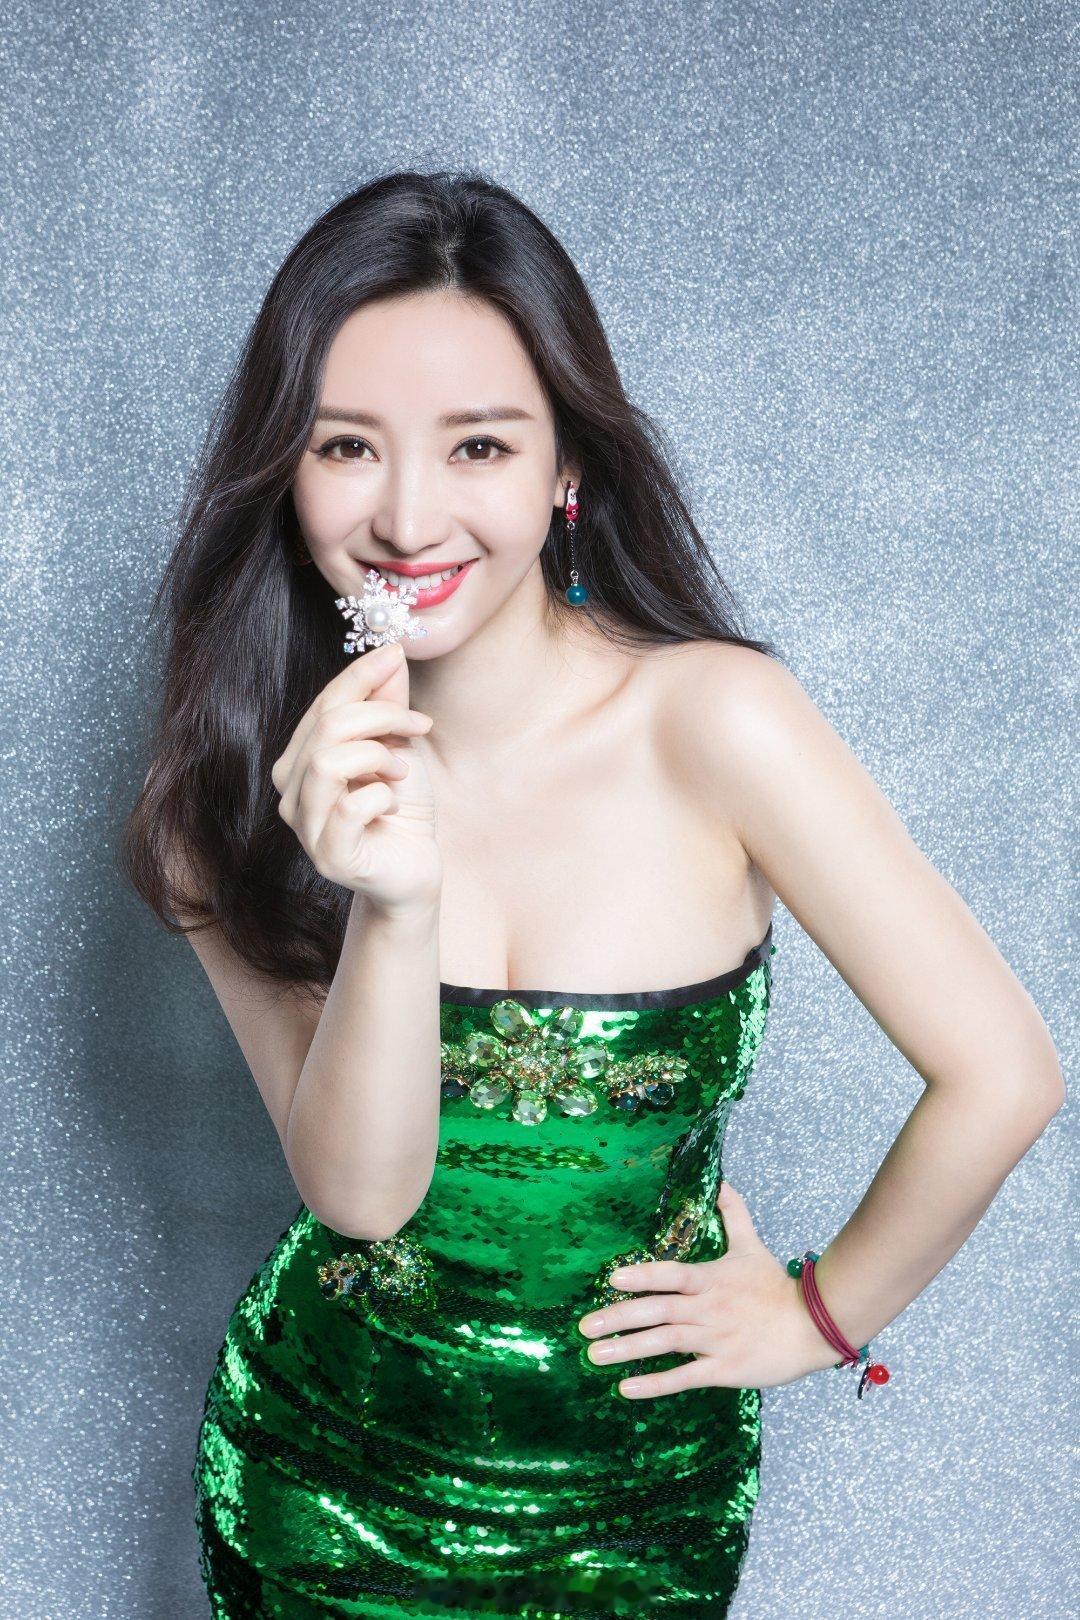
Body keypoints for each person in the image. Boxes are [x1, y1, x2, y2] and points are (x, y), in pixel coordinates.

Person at [119, 168, 1065, 1618]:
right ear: (283, 475)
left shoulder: (717, 722)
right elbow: (362, 1199)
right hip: (320, 1484)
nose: (409, 516)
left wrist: (820, 1315)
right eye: (346, 446)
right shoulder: (233, 787)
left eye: (479, 445)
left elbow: (1004, 1073)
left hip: (640, 1504)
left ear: (566, 468)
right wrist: (394, 901)